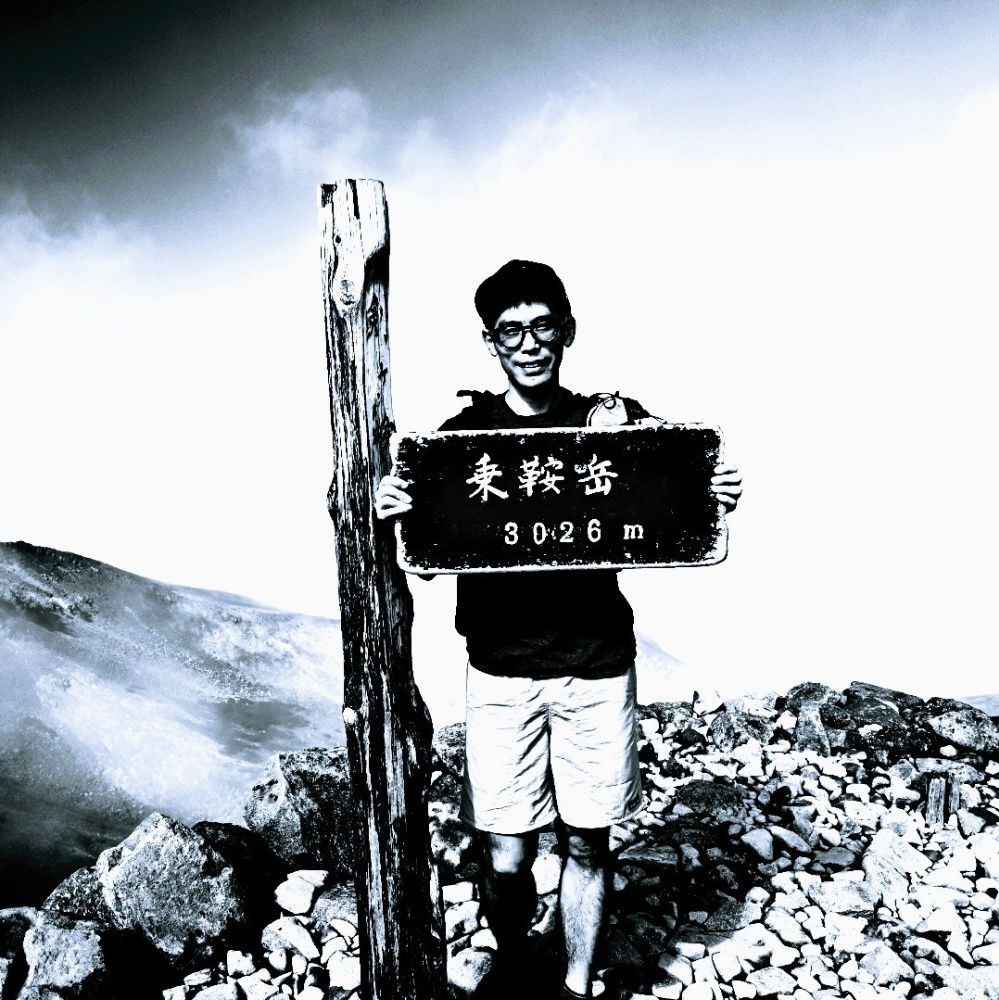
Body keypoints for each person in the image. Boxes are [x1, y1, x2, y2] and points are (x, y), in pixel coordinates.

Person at [375, 260, 742, 999]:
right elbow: (428, 563)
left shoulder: (610, 423)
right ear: (490, 342)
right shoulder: (462, 439)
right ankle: (516, 960)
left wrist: (714, 490)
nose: (529, 343)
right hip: (500, 668)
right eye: (510, 331)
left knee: (587, 840)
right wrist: (399, 514)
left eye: (543, 326)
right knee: (504, 852)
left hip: (595, 663)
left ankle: (575, 986)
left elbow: (674, 485)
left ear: (567, 331)